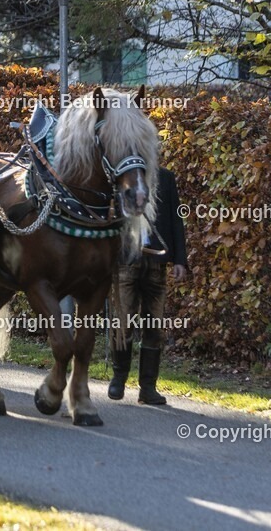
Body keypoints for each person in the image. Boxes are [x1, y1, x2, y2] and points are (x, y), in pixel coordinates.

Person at [108, 166, 189, 405]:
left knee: (154, 326)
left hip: (156, 262)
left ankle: (148, 388)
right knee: (122, 322)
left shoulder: (166, 177)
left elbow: (176, 219)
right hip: (126, 261)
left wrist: (180, 260)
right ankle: (119, 378)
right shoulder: (120, 177)